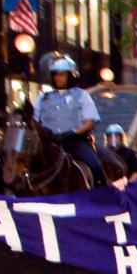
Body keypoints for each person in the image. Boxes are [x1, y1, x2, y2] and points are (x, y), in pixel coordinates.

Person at [34, 55, 106, 186]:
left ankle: (101, 196)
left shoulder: (81, 95)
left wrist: (73, 132)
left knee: (95, 165)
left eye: (62, 74)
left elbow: (90, 121)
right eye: (55, 74)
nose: (57, 78)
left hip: (75, 143)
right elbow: (34, 120)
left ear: (71, 76)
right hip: (49, 144)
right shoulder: (43, 98)